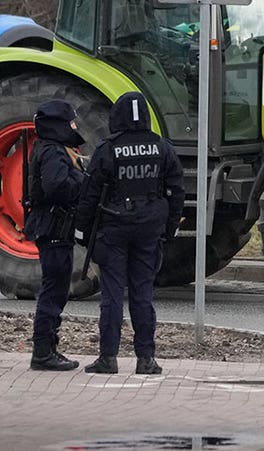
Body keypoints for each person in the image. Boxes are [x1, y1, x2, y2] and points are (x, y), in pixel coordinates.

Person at [73, 91, 184, 375]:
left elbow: (89, 196)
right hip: (150, 231)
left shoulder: (107, 150)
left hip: (113, 230)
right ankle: (146, 359)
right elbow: (176, 194)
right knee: (142, 295)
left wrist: (82, 234)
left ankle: (108, 358)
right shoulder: (163, 148)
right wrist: (168, 230)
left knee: (111, 296)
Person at [25, 100, 87, 371]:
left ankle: (48, 347)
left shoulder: (51, 148)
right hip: (53, 227)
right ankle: (42, 351)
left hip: (53, 227)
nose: (74, 127)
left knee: (57, 288)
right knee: (54, 289)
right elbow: (57, 186)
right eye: (71, 123)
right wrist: (84, 180)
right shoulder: (52, 152)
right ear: (59, 125)